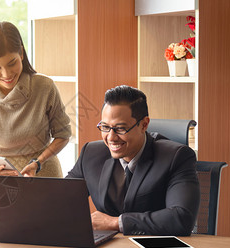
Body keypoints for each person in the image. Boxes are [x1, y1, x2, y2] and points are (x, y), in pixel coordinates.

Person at [66, 85, 200, 236]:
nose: (111, 137)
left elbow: (181, 218)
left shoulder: (177, 157)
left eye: (121, 129)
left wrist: (116, 223)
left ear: (144, 125)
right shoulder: (91, 153)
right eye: (105, 127)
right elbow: (62, 200)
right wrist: (37, 193)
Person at [0, 21, 71, 178]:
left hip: (45, 175)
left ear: (21, 53)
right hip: (2, 181)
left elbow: (63, 135)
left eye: (12, 63)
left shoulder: (44, 87)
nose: (7, 74)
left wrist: (38, 162)